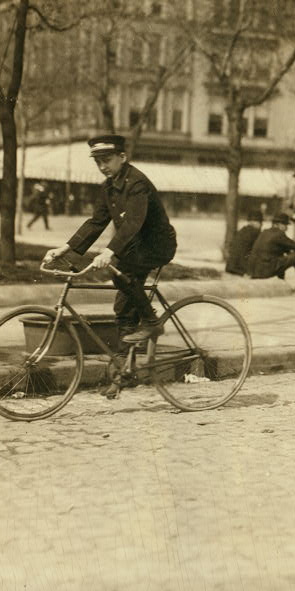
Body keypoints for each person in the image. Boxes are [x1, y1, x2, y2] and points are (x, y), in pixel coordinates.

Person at [43, 135, 177, 396]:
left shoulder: (137, 183)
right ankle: (126, 373)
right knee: (123, 308)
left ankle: (152, 322)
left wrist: (108, 251)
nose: (102, 166)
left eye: (107, 160)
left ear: (122, 158)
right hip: (134, 245)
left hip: (157, 244)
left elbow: (133, 223)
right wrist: (65, 248)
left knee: (121, 274)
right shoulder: (108, 187)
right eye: (98, 162)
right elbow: (96, 222)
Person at [245, 213, 295, 293]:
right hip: (265, 271)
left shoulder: (265, 232)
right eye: (285, 225)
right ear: (278, 224)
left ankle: (281, 282)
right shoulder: (279, 234)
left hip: (255, 271)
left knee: (280, 256)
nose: (286, 228)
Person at [226, 211, 264, 276]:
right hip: (242, 270)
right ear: (257, 222)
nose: (261, 225)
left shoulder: (241, 231)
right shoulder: (255, 233)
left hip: (230, 267)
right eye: (260, 223)